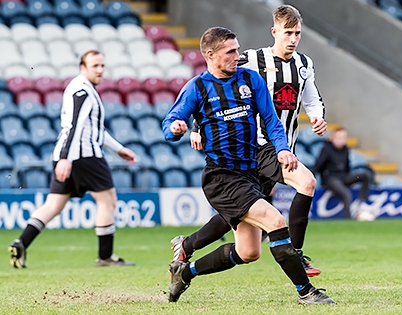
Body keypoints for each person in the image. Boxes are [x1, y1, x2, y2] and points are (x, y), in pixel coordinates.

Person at [162, 26, 334, 304]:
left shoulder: (250, 79)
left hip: (249, 174)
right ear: (210, 55)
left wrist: (281, 150)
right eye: (230, 52)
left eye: (238, 50)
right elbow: (169, 123)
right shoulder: (198, 87)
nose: (236, 56)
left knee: (248, 252)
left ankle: (186, 272)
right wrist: (177, 128)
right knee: (275, 220)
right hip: (221, 178)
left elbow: (272, 122)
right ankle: (306, 292)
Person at [8, 50, 137, 268]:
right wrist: (67, 158)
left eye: (102, 66)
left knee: (53, 205)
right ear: (82, 67)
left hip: (66, 153)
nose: (100, 70)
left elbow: (92, 128)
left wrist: (118, 149)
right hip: (84, 155)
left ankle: (21, 242)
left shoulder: (79, 88)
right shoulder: (83, 91)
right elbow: (75, 126)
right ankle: (105, 257)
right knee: (108, 201)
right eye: (95, 66)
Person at [314, 127, 372, 220]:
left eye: (344, 138)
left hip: (343, 177)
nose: (342, 140)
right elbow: (318, 166)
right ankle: (349, 218)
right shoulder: (326, 149)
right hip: (330, 178)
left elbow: (347, 167)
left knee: (365, 176)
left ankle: (362, 202)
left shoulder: (346, 150)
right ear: (333, 138)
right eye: (339, 138)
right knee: (346, 194)